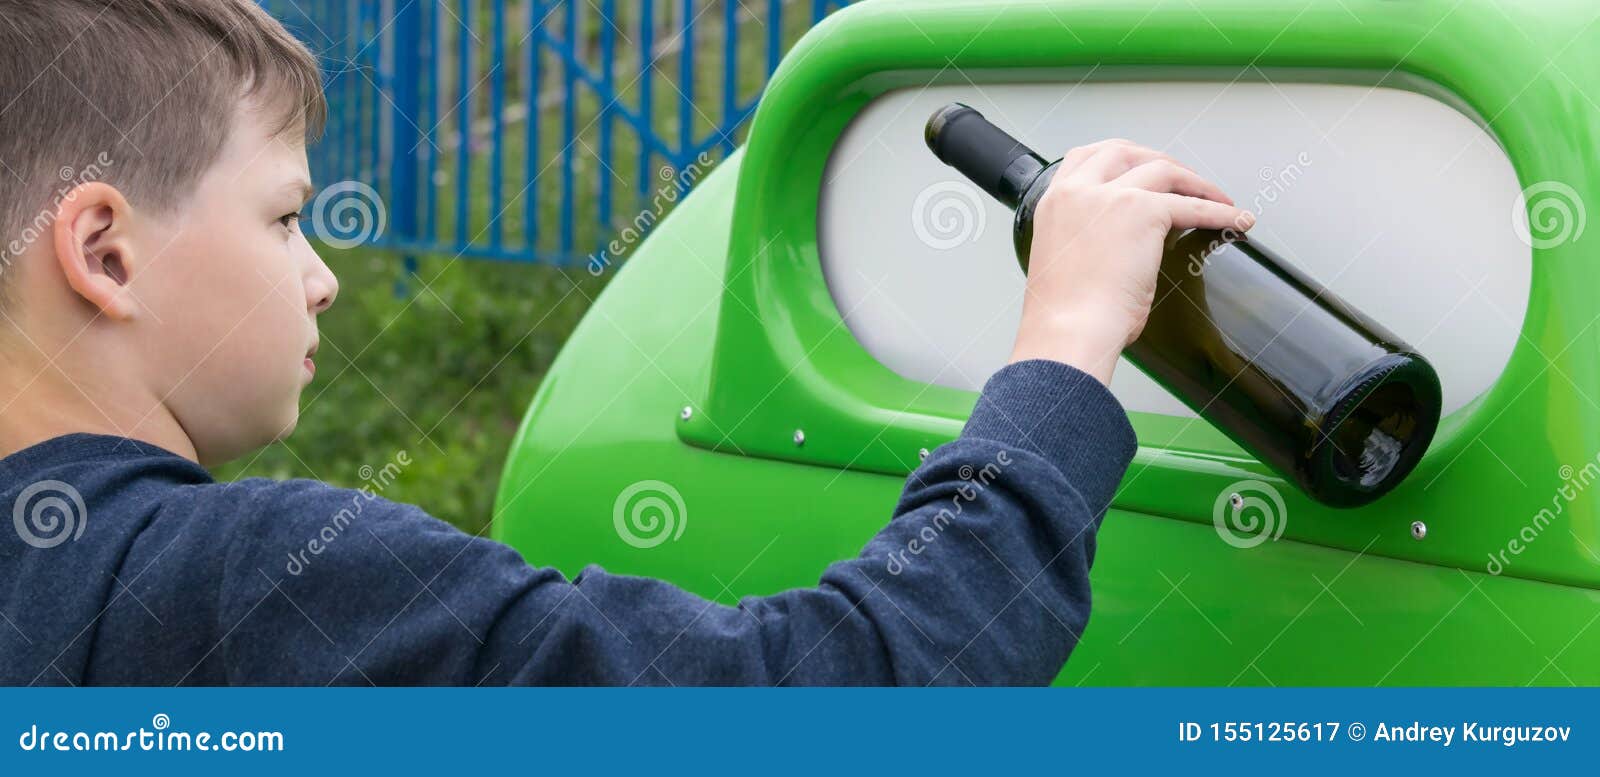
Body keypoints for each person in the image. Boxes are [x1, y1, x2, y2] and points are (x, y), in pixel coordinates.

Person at [0, 0, 1254, 685]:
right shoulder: (256, 584)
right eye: (285, 218)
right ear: (105, 253)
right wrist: (1068, 339)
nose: (323, 279)